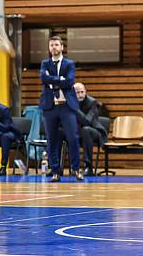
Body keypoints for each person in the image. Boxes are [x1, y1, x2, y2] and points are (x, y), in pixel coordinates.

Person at [39, 36, 83, 182]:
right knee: (51, 140)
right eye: (51, 45)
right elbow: (42, 79)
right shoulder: (45, 63)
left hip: (66, 106)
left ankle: (76, 169)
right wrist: (60, 80)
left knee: (73, 138)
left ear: (62, 47)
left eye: (56, 45)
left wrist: (51, 79)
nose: (54, 48)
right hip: (50, 106)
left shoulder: (69, 63)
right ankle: (55, 171)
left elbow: (70, 81)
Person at [73, 82, 107, 177]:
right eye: (77, 92)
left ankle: (88, 167)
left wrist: (75, 109)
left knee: (86, 129)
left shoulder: (92, 102)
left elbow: (87, 121)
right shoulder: (70, 102)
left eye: (82, 92)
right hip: (77, 132)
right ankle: (57, 169)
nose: (80, 95)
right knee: (59, 131)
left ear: (85, 92)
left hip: (94, 131)